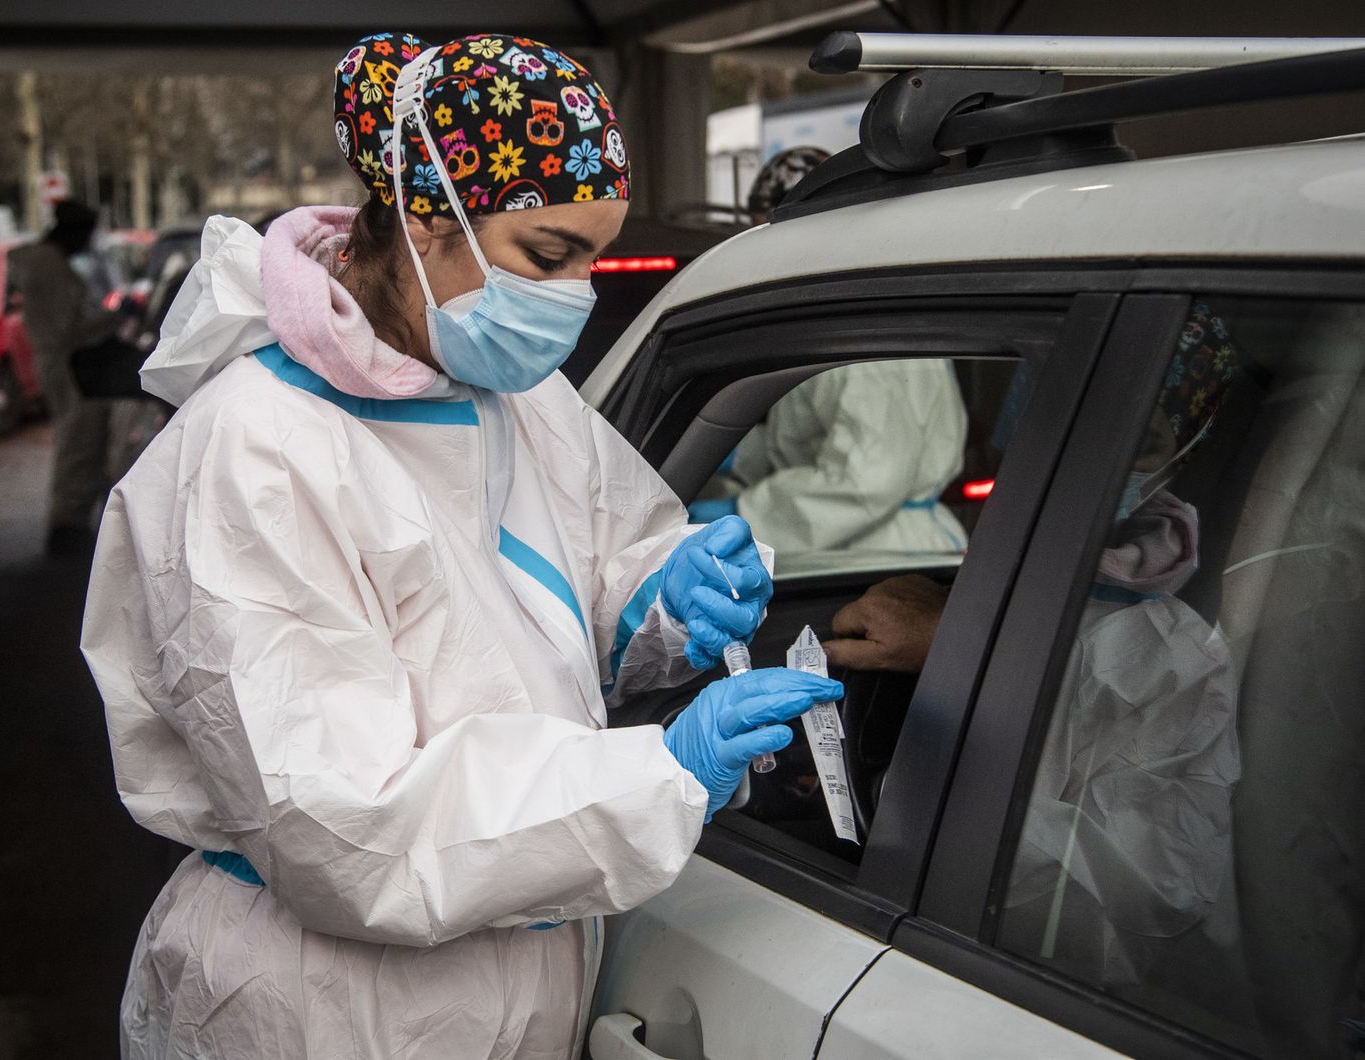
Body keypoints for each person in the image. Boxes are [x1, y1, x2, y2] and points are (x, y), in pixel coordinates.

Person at [80, 32, 840, 1059]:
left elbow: (550, 608)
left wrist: (662, 603)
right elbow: (344, 826)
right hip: (326, 1008)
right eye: (548, 255)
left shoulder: (512, 393)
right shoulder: (256, 449)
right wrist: (663, 772)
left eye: (593, 256)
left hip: (511, 969)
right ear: (428, 221)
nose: (574, 295)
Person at [824, 307, 1244, 993]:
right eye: (1069, 428)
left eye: (1144, 441)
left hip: (1034, 989)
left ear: (1183, 456)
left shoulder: (1178, 656)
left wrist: (969, 661)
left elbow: (1144, 891)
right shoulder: (998, 578)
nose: (1096, 460)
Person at [690, 360, 969, 561]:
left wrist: (745, 513)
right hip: (886, 542)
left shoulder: (856, 355)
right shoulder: (867, 331)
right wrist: (740, 454)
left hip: (870, 550)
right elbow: (816, 442)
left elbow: (870, 479)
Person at [7, 198, 117, 554]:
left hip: (60, 360)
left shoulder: (46, 263)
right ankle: (66, 522)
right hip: (65, 363)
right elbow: (66, 330)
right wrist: (113, 318)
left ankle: (71, 518)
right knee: (77, 440)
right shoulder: (49, 267)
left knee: (78, 438)